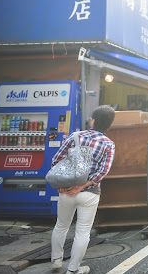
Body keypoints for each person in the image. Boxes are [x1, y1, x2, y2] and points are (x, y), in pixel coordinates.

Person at [50, 106, 116, 274]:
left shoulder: (76, 136)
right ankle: (73, 270)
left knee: (61, 225)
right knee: (83, 231)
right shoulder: (109, 144)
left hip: (67, 190)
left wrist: (62, 184)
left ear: (92, 120)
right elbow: (103, 171)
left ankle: (56, 261)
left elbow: (56, 159)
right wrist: (83, 185)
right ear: (109, 125)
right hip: (90, 193)